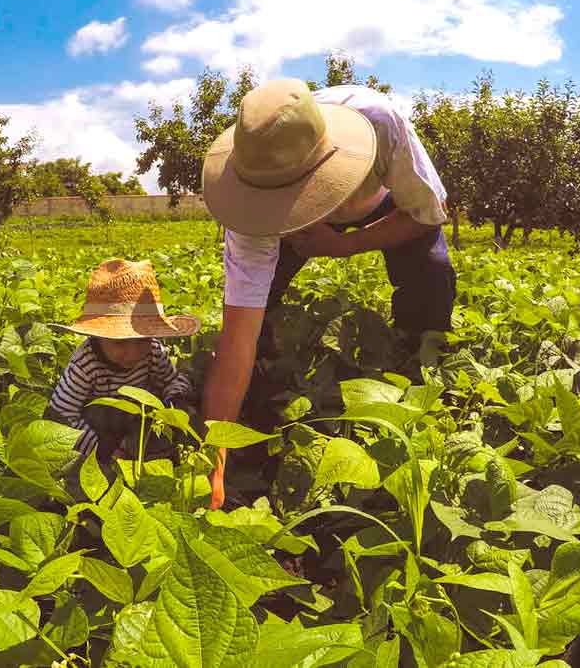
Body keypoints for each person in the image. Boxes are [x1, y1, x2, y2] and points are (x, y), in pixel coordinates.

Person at [200, 78, 455, 510]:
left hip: (382, 203)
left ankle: (420, 367)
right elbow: (235, 337)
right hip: (282, 218)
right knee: (256, 325)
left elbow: (428, 214)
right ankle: (264, 386)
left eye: (299, 198)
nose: (296, 211)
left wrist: (345, 244)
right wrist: (214, 456)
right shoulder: (250, 200)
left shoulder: (380, 124)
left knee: (432, 274)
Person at [45, 259, 199, 469]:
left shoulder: (153, 349)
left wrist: (175, 404)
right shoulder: (86, 362)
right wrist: (105, 450)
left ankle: (161, 455)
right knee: (95, 417)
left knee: (183, 404)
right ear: (98, 336)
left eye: (142, 339)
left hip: (139, 428)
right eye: (120, 342)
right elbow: (61, 416)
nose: (133, 353)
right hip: (98, 435)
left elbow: (170, 381)